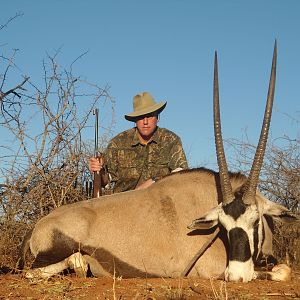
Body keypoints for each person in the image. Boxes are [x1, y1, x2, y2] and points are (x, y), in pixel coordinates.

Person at [89, 91, 188, 193]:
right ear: (135, 120)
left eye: (149, 116)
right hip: (124, 204)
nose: (145, 122)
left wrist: (155, 180)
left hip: (160, 202)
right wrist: (98, 171)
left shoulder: (171, 140)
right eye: (140, 117)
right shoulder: (117, 143)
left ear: (157, 118)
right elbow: (106, 180)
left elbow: (182, 173)